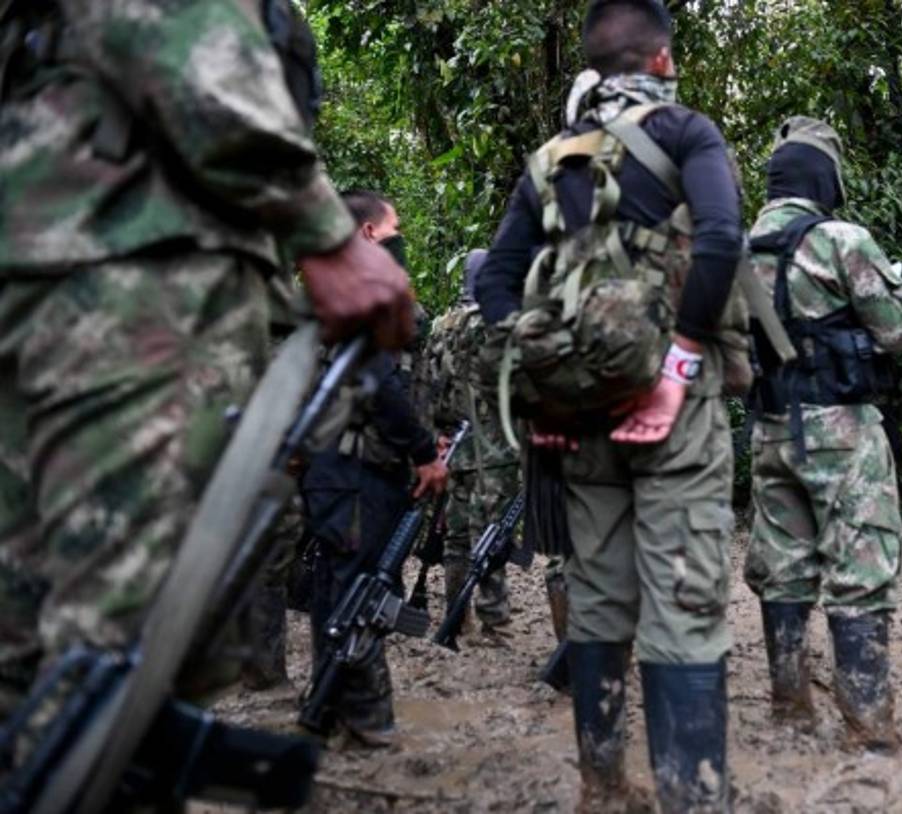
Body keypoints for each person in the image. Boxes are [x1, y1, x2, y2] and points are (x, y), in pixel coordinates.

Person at [0, 0, 414, 724]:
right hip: (126, 288)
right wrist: (325, 232)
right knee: (124, 668)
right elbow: (186, 39)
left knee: (27, 659)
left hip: (42, 275)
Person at [476, 2, 743, 809]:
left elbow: (493, 282)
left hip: (578, 420)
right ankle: (689, 796)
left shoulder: (550, 161)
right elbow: (725, 240)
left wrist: (544, 381)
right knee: (686, 601)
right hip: (675, 416)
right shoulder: (686, 132)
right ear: (660, 60)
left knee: (596, 600)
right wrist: (678, 364)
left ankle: (601, 785)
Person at [742, 118, 902, 754]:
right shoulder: (842, 240)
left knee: (783, 568)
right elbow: (900, 330)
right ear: (825, 176)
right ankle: (868, 727)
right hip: (841, 429)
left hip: (768, 431)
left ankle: (790, 709)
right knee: (860, 564)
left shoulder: (735, 249)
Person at [298, 190, 447, 746]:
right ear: (367, 234)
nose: (400, 238)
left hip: (334, 470)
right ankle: (359, 718)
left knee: (338, 589)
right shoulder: (365, 293)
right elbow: (380, 381)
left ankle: (330, 710)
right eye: (395, 227)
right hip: (358, 472)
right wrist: (423, 453)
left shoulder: (331, 291)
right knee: (359, 591)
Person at [426, 250, 518, 636]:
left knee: (457, 536)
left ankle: (456, 617)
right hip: (495, 447)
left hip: (453, 446)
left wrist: (435, 436)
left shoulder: (440, 327)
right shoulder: (498, 325)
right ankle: (493, 618)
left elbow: (428, 387)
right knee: (493, 532)